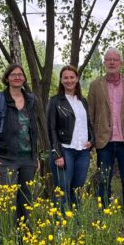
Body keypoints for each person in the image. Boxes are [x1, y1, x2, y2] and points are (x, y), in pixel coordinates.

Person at [0, 63, 38, 245]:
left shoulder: (30, 100)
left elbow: (34, 130)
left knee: (26, 202)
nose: (17, 77)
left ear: (24, 78)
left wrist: (36, 156)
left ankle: (24, 244)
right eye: (13, 74)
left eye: (20, 74)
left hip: (28, 160)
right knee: (8, 204)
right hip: (6, 159)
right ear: (7, 78)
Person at [88, 47, 124, 223]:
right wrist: (91, 140)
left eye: (115, 59)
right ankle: (103, 218)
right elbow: (90, 114)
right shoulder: (95, 85)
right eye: (108, 59)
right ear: (104, 63)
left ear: (121, 63)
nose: (112, 62)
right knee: (104, 181)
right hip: (104, 141)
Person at [47, 65, 94, 214]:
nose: (69, 80)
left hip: (82, 152)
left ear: (77, 79)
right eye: (65, 78)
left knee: (76, 189)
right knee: (62, 190)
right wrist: (57, 154)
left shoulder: (83, 101)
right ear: (61, 80)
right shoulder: (55, 101)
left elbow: (87, 125)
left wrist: (92, 141)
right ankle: (60, 227)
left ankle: (74, 225)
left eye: (72, 77)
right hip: (64, 150)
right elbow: (51, 129)